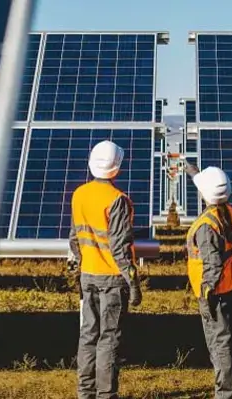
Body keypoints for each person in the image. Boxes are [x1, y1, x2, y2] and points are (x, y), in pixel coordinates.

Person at [68, 140, 142, 399]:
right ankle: (106, 394)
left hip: (87, 274)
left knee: (88, 335)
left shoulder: (79, 194)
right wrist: (133, 282)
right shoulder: (117, 200)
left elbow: (75, 239)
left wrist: (83, 263)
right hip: (112, 279)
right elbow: (121, 248)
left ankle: (84, 392)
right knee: (108, 339)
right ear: (117, 168)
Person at [183, 159, 232, 399]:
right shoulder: (226, 210)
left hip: (215, 293)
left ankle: (225, 394)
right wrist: (194, 172)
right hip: (231, 286)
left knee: (220, 344)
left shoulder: (206, 225)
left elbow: (212, 264)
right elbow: (211, 189)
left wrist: (207, 291)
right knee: (226, 340)